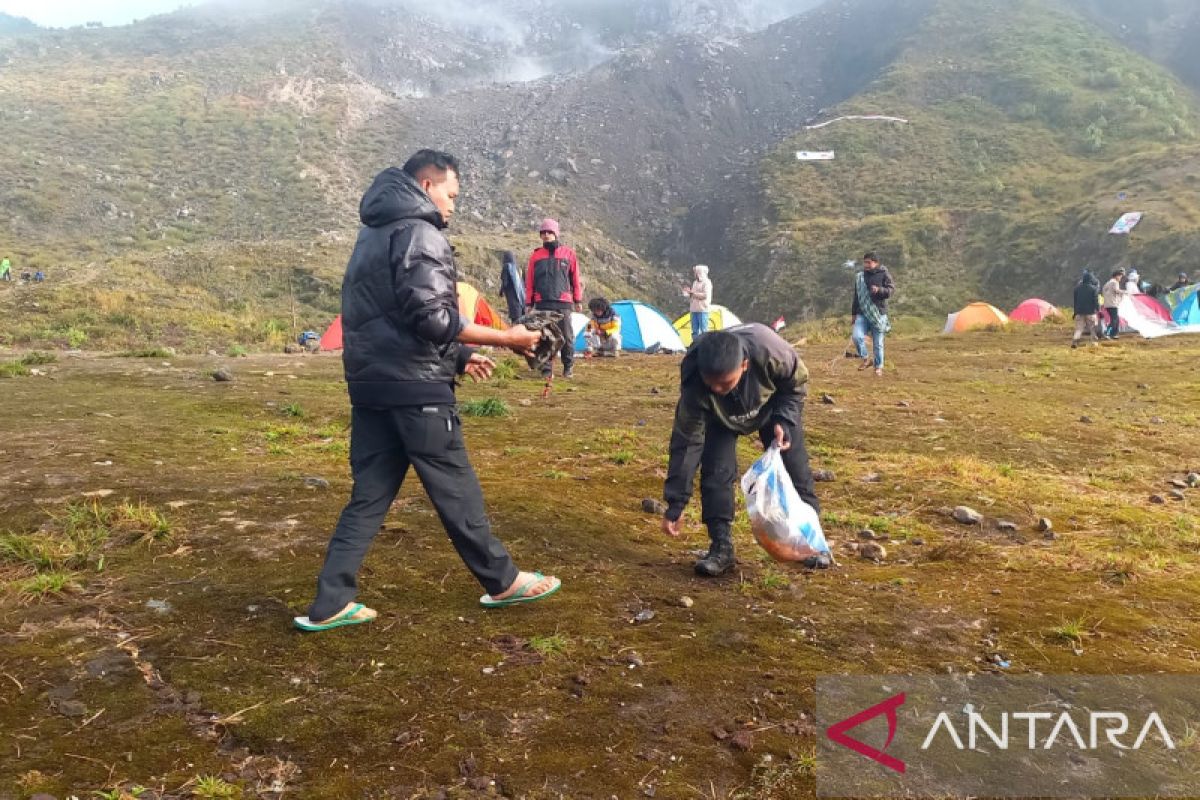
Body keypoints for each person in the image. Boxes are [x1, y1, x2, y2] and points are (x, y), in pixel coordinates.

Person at [296, 150, 561, 633]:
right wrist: (509, 338)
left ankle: (330, 601)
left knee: (370, 494)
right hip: (418, 391)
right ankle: (502, 580)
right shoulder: (420, 233)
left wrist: (459, 356)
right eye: (451, 194)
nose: (453, 206)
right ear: (425, 183)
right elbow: (431, 317)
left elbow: (386, 318)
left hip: (372, 387)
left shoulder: (370, 235)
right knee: (455, 487)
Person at [660, 325, 819, 577]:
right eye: (711, 384)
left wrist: (784, 420)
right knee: (716, 472)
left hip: (771, 408)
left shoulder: (771, 352)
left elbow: (795, 385)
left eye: (725, 383)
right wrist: (675, 504)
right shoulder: (695, 378)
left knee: (794, 468)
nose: (717, 389)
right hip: (719, 418)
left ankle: (811, 540)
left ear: (744, 365)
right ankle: (721, 546)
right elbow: (687, 442)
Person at [524, 218, 582, 379]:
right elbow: (529, 281)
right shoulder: (535, 256)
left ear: (556, 233)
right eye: (543, 232)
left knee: (566, 336)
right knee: (544, 337)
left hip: (563, 302)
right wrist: (529, 302)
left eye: (549, 232)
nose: (546, 235)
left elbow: (575, 279)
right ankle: (546, 370)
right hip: (542, 302)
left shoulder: (569, 254)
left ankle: (568, 367)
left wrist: (578, 300)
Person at [850, 252, 895, 377]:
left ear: (876, 263)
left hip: (878, 313)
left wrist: (879, 290)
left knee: (878, 343)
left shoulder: (884, 274)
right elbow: (856, 296)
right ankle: (865, 358)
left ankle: (878, 367)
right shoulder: (860, 277)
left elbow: (891, 290)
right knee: (857, 336)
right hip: (862, 313)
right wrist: (853, 314)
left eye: (868, 262)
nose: (866, 265)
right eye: (865, 262)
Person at [681, 264, 713, 340]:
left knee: (703, 330)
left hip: (702, 309)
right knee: (694, 330)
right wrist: (688, 292)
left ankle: (704, 346)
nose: (695, 274)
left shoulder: (707, 283)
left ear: (700, 272)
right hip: (694, 309)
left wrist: (692, 293)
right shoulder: (695, 282)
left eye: (696, 272)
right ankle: (695, 346)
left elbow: (705, 295)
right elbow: (693, 294)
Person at [1071, 269, 1102, 349]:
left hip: (1079, 312)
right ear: (1091, 279)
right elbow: (1095, 301)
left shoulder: (1076, 289)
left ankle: (1075, 341)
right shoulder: (1093, 289)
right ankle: (1094, 343)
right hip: (1090, 312)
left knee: (1079, 328)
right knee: (1093, 328)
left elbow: (1075, 302)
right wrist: (1099, 310)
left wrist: (1075, 312)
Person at [499, 250, 525, 323]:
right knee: (520, 318)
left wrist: (501, 292)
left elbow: (505, 282)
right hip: (520, 297)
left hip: (512, 296)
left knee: (515, 318)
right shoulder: (516, 268)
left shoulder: (506, 266)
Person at [1101, 268, 1127, 340]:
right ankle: (1108, 333)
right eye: (1120, 276)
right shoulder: (1115, 282)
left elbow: (1103, 292)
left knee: (1116, 319)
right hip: (1113, 304)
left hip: (1107, 304)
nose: (1120, 278)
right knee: (1114, 320)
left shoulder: (1107, 283)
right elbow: (1117, 290)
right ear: (1116, 276)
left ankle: (1114, 334)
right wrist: (1125, 292)